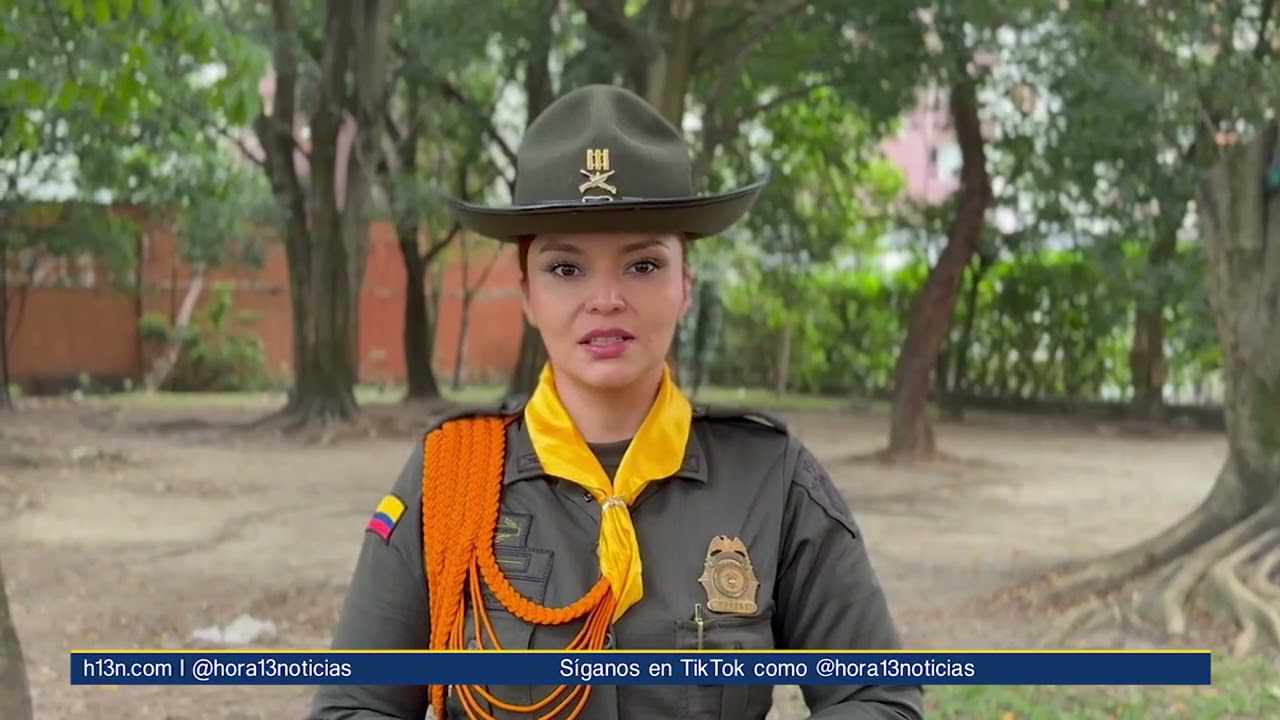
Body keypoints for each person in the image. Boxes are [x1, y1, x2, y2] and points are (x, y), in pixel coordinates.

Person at [309, 84, 924, 720]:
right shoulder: (453, 478)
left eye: (643, 265)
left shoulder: (769, 477)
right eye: (566, 269)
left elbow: (877, 696)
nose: (605, 299)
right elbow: (354, 704)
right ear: (527, 293)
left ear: (686, 282)